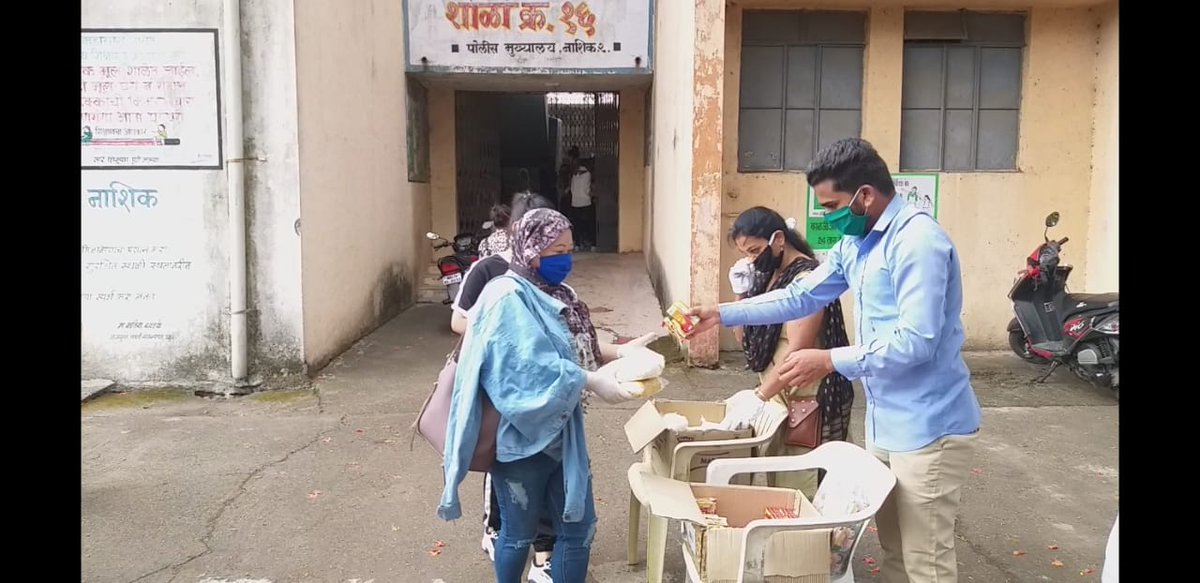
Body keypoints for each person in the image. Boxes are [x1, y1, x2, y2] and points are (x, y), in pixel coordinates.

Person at [688, 138, 982, 583]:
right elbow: (800, 294)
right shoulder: (857, 242)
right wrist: (722, 313)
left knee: (927, 559)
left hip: (929, 429)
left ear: (865, 194)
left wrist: (830, 360)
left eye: (831, 205)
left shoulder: (917, 242)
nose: (827, 216)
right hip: (886, 423)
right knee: (895, 552)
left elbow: (915, 342)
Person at [439, 208, 649, 582]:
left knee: (578, 528)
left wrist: (623, 350)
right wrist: (590, 381)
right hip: (519, 439)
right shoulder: (505, 297)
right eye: (555, 251)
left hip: (563, 434)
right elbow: (525, 368)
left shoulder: (558, 293)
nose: (565, 259)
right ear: (530, 248)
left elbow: (573, 346)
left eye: (569, 248)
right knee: (519, 535)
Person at [724, 206, 854, 499]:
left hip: (804, 400)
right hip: (774, 395)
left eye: (756, 250)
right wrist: (740, 292)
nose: (754, 260)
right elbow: (742, 336)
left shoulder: (806, 280)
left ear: (778, 239)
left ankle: (809, 545)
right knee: (776, 482)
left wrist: (758, 398)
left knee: (799, 487)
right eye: (747, 254)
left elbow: (796, 352)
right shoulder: (767, 275)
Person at [560, 146, 595, 251]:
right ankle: (591, 243)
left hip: (577, 203)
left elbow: (572, 189)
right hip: (585, 202)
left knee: (578, 224)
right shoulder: (586, 174)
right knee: (587, 224)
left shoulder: (575, 175)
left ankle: (578, 244)